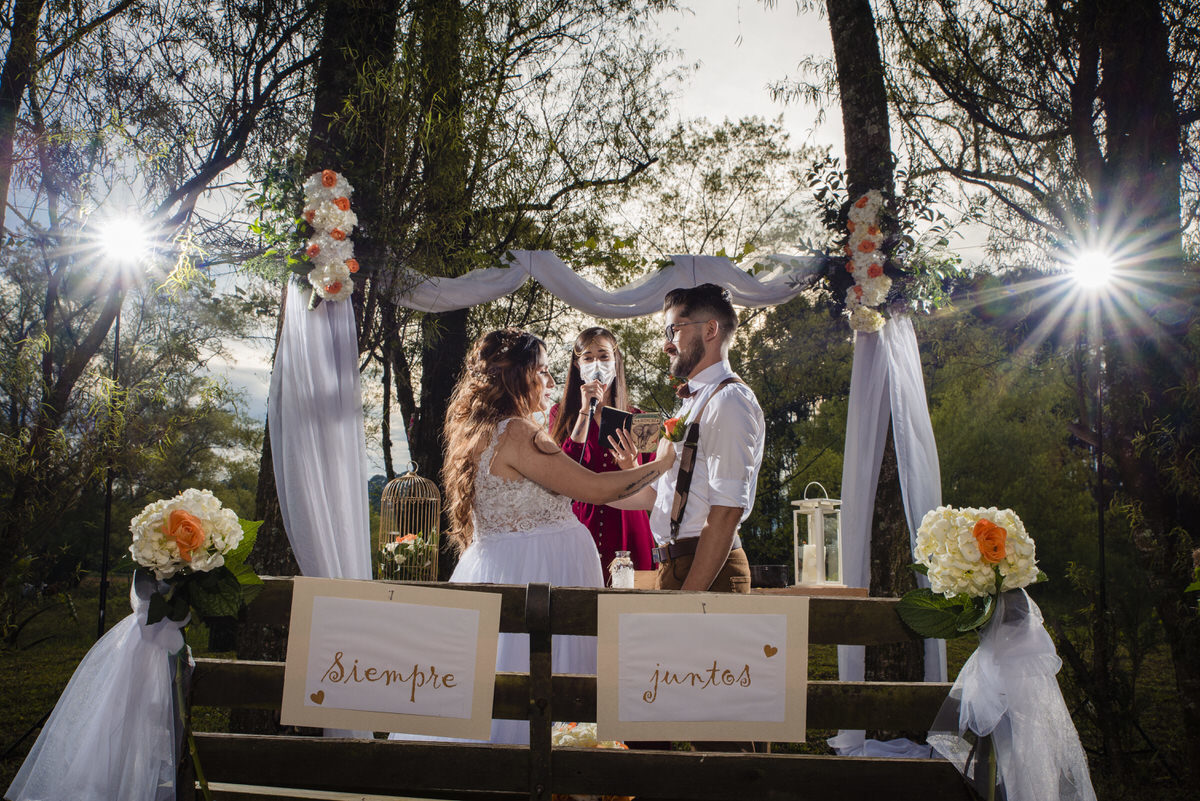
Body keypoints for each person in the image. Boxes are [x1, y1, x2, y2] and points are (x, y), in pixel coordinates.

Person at [440, 327, 675, 744]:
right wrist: (663, 462)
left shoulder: (482, 429)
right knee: (551, 682)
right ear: (519, 376)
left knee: (507, 681)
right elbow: (595, 488)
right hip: (542, 573)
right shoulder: (519, 431)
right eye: (543, 371)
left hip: (507, 566)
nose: (551, 380)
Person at [612, 283, 764, 593]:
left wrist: (690, 597)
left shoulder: (729, 401)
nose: (666, 345)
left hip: (707, 570)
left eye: (674, 330)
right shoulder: (694, 401)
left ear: (710, 330)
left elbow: (727, 511)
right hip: (677, 566)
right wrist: (572, 492)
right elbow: (655, 499)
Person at [548, 327, 655, 577]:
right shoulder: (560, 415)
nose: (597, 364)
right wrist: (585, 410)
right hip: (581, 526)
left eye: (604, 356)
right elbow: (562, 471)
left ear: (616, 361)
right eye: (588, 357)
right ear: (577, 365)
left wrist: (630, 466)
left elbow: (652, 489)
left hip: (629, 528)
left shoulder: (640, 419)